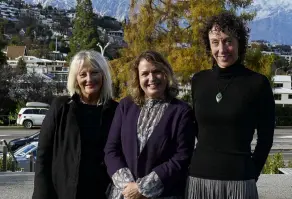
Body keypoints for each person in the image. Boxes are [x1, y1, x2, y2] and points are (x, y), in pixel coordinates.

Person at [186, 12, 275, 199]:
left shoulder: (257, 83)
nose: (222, 49)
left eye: (228, 41)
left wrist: (252, 172)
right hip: (198, 179)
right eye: (215, 42)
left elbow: (266, 138)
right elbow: (193, 130)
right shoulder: (199, 81)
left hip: (240, 181)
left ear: (239, 43)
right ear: (209, 45)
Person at [104, 50, 196, 199]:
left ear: (166, 73)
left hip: (163, 193)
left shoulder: (181, 111)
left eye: (157, 72)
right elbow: (111, 149)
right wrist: (129, 187)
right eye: (145, 74)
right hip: (124, 194)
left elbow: (182, 157)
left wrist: (143, 188)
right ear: (137, 78)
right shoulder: (125, 106)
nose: (151, 78)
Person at [32, 50, 118, 199]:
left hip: (103, 193)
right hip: (64, 192)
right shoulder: (61, 107)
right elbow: (43, 156)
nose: (89, 79)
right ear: (75, 78)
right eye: (83, 74)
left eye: (94, 72)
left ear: (103, 75)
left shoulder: (116, 111)